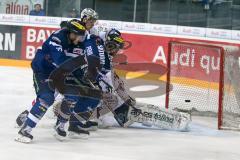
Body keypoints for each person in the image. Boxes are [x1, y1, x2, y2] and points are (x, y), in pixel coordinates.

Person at [15, 19, 87, 143]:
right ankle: (25, 129)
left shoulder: (77, 43)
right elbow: (61, 61)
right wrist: (75, 72)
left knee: (73, 95)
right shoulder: (57, 38)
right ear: (71, 33)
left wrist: (81, 76)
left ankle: (60, 125)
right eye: (78, 36)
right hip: (43, 71)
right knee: (47, 98)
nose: (79, 40)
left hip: (60, 73)